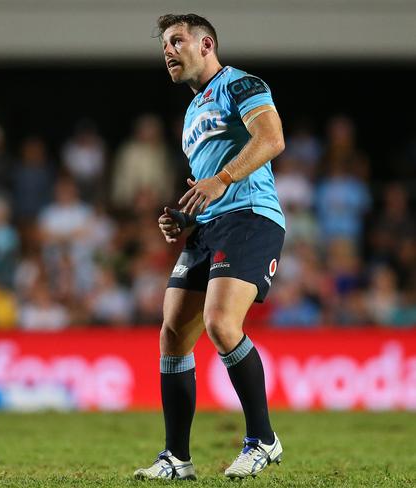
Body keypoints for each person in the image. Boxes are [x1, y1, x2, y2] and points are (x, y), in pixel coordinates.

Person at [134, 14, 286, 481]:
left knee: (221, 324)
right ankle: (176, 458)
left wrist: (221, 180)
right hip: (208, 228)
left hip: (251, 216)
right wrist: (183, 216)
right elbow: (206, 186)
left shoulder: (240, 84)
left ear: (206, 44)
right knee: (173, 334)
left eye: (176, 41)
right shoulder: (191, 114)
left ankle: (263, 440)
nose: (168, 51)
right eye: (164, 45)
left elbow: (272, 138)